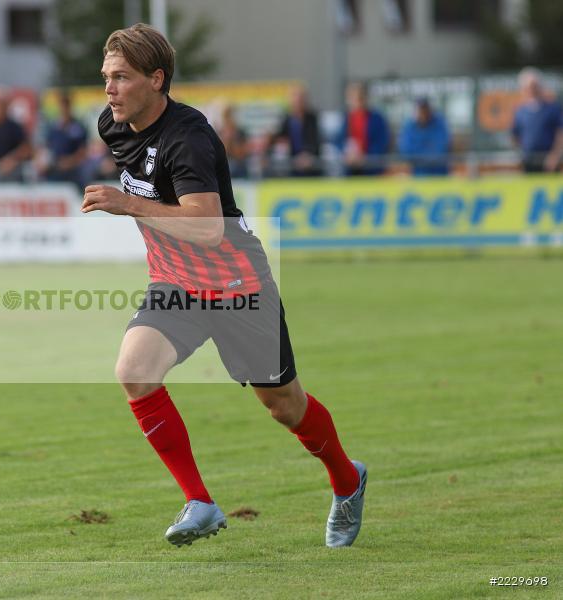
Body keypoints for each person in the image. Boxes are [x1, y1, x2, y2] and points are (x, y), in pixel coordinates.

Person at [83, 23, 366, 548]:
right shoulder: (114, 124)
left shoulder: (188, 138)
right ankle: (200, 502)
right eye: (106, 77)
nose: (109, 89)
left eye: (121, 77)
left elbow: (208, 229)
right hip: (176, 283)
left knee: (285, 406)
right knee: (134, 370)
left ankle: (347, 481)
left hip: (236, 284)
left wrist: (127, 203)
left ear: (156, 79)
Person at [511, 68, 563, 173]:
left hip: (549, 162)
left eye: (534, 86)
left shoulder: (552, 109)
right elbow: (514, 135)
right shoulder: (520, 112)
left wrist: (555, 155)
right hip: (528, 161)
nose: (532, 90)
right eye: (528, 87)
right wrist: (520, 155)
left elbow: (560, 133)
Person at [337, 82, 390, 176]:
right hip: (351, 169)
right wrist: (347, 154)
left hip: (371, 169)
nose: (357, 101)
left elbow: (381, 143)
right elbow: (340, 141)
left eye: (360, 98)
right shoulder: (347, 119)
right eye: (353, 98)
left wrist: (365, 158)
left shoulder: (376, 119)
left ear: (365, 98)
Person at [267, 86, 322, 177]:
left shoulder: (312, 119)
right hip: (291, 164)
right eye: (294, 99)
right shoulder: (286, 119)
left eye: (300, 99)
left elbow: (316, 140)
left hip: (310, 163)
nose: (297, 102)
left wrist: (306, 154)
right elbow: (280, 138)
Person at [39, 91, 89, 188]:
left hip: (73, 169)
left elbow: (83, 151)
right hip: (55, 167)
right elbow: (46, 148)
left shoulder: (78, 127)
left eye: (66, 106)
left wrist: (70, 162)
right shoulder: (53, 127)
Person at [397, 97, 451, 177]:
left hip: (439, 174)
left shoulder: (439, 124)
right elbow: (406, 150)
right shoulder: (409, 125)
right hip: (417, 173)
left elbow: (441, 148)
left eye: (425, 109)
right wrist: (422, 158)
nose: (423, 113)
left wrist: (423, 157)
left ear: (429, 109)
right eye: (420, 109)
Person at [215, 103, 249, 178]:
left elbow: (242, 154)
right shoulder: (219, 132)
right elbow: (220, 154)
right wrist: (227, 138)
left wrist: (232, 137)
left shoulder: (240, 132)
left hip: (239, 166)